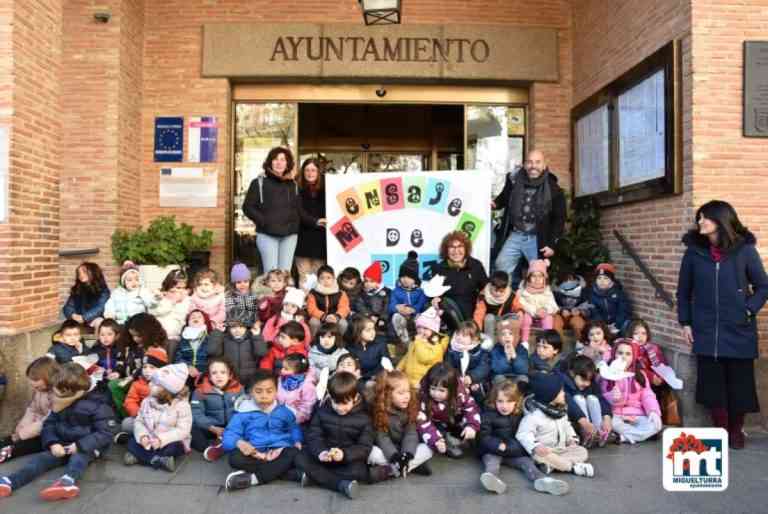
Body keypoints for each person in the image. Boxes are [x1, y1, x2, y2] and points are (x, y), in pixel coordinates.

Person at [677, 200, 768, 449]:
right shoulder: (693, 253)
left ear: (721, 220)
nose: (700, 221)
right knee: (712, 386)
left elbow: (763, 286)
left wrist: (748, 310)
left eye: (705, 217)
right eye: (699, 217)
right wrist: (686, 323)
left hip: (739, 328)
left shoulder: (745, 251)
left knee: (740, 385)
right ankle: (721, 430)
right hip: (705, 329)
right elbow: (683, 292)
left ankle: (736, 431)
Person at [0, 363, 115, 501]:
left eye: (57, 392)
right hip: (62, 444)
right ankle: (10, 482)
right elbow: (49, 424)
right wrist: (53, 443)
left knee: (78, 459)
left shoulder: (99, 404)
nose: (54, 396)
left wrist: (79, 446)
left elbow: (105, 432)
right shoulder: (60, 402)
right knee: (40, 460)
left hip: (88, 446)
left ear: (71, 391)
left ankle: (67, 482)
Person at [478, 379, 569, 496]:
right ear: (494, 400)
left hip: (513, 451)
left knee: (527, 463)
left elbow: (524, 436)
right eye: (500, 401)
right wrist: (496, 445)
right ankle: (492, 478)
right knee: (492, 462)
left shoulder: (520, 415)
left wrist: (514, 448)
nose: (504, 406)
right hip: (494, 450)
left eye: (509, 401)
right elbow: (483, 437)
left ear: (516, 402)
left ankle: (542, 480)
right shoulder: (488, 415)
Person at [294, 371, 374, 499]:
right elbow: (314, 436)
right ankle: (339, 484)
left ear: (355, 398)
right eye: (336, 402)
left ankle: (315, 477)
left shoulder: (364, 418)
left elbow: (364, 447)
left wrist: (344, 455)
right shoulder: (322, 412)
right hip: (324, 457)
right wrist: (321, 452)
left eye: (345, 403)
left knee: (359, 471)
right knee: (299, 457)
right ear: (330, 397)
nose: (340, 408)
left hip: (346, 461)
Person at [221, 369, 303, 491]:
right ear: (251, 392)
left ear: (276, 392)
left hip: (281, 450)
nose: (264, 396)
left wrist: (297, 441)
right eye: (258, 391)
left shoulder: (284, 411)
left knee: (294, 453)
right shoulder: (243, 412)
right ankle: (290, 474)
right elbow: (229, 434)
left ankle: (254, 478)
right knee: (234, 458)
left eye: (269, 391)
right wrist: (239, 442)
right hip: (256, 453)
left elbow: (294, 428)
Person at [492, 150, 566, 281]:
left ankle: (536, 294)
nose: (533, 166)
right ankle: (508, 292)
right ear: (524, 164)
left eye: (537, 162)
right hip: (516, 234)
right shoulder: (514, 181)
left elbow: (559, 219)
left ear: (544, 165)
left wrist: (552, 244)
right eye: (530, 162)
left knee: (538, 273)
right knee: (501, 265)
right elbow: (504, 197)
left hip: (537, 237)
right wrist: (495, 203)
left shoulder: (553, 188)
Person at [516, 372, 594, 478]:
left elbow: (567, 426)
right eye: (561, 392)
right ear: (551, 396)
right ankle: (573, 467)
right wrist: (536, 446)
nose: (564, 394)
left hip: (560, 449)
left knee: (582, 451)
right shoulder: (534, 416)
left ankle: (552, 466)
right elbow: (523, 434)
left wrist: (571, 440)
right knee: (540, 456)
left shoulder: (560, 411)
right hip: (545, 451)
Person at [243, 146, 301, 273]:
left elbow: (298, 209)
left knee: (285, 274)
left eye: (283, 160)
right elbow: (247, 207)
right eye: (275, 159)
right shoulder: (258, 183)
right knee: (271, 274)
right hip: (267, 235)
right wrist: (264, 221)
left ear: (287, 164)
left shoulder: (293, 184)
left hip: (289, 236)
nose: (279, 163)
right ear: (270, 162)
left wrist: (295, 224)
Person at [124, 363, 192, 472]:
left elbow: (183, 430)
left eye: (156, 383)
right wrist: (143, 436)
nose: (151, 384)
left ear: (168, 389)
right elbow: (139, 421)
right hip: (150, 437)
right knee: (132, 441)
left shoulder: (182, 406)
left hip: (169, 440)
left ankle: (141, 457)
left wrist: (161, 440)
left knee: (175, 446)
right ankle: (159, 460)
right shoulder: (147, 401)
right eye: (152, 381)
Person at [369, 370, 434, 480]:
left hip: (406, 449)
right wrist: (394, 457)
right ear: (388, 395)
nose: (407, 396)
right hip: (388, 452)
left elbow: (411, 434)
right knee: (372, 453)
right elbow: (381, 438)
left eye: (408, 392)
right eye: (401, 393)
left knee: (429, 448)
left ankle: (393, 470)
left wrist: (406, 455)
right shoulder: (379, 411)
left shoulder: (410, 408)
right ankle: (411, 466)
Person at [0, 357, 60, 464]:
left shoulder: (58, 394)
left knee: (22, 446)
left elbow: (48, 421)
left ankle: (6, 453)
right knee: (9, 439)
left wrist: (22, 434)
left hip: (51, 433)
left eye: (37, 386)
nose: (35, 389)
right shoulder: (40, 390)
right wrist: (22, 427)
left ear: (49, 378)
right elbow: (32, 409)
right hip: (35, 428)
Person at [600, 340, 662, 444]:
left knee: (656, 424)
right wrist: (612, 397)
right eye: (620, 353)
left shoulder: (640, 375)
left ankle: (622, 438)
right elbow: (602, 396)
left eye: (628, 354)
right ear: (614, 355)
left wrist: (653, 411)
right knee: (613, 424)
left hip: (636, 413)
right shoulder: (606, 374)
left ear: (634, 357)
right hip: (615, 414)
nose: (623, 357)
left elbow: (647, 395)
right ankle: (641, 435)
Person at [417, 363, 481, 459]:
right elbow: (423, 421)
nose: (436, 394)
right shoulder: (424, 397)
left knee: (469, 425)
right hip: (433, 422)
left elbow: (470, 407)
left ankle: (457, 436)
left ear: (451, 389)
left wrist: (472, 425)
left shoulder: (459, 393)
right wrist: (435, 440)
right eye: (433, 388)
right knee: (432, 434)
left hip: (452, 418)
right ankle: (444, 441)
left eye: (441, 390)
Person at [430, 231, 488, 331]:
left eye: (460, 246)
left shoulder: (475, 265)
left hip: (471, 310)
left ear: (466, 249)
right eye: (452, 247)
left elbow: (486, 288)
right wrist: (434, 299)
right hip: (448, 311)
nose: (456, 251)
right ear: (446, 250)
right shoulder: (439, 268)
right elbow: (432, 292)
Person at [190, 357, 243, 461]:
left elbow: (243, 411)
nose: (219, 376)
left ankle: (223, 444)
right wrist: (212, 428)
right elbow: (196, 413)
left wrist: (232, 427)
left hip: (231, 427)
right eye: (214, 373)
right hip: (210, 426)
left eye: (223, 372)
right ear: (209, 376)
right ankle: (212, 447)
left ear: (230, 375)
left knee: (248, 427)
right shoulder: (200, 391)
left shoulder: (238, 388)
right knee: (192, 431)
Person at [557, 355, 613, 448]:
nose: (587, 384)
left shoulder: (591, 384)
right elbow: (569, 403)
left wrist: (607, 417)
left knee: (592, 398)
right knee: (578, 398)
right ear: (572, 373)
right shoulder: (564, 383)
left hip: (590, 422)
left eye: (589, 380)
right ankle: (586, 433)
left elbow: (601, 398)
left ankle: (599, 433)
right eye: (583, 380)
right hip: (576, 421)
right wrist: (584, 422)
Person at [115, 347, 169, 442]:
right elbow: (130, 401)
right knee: (127, 423)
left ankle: (137, 439)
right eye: (144, 367)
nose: (147, 370)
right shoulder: (137, 384)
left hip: (162, 420)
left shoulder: (168, 384)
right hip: (142, 417)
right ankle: (147, 438)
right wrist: (139, 413)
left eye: (152, 367)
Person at [294, 158, 328, 289]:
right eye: (307, 170)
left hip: (321, 240)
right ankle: (304, 301)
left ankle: (315, 301)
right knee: (304, 276)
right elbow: (298, 211)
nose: (310, 173)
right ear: (303, 172)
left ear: (319, 172)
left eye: (313, 170)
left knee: (319, 275)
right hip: (302, 238)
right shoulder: (296, 188)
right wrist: (315, 221)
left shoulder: (327, 188)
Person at [397, 307, 449, 389]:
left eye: (425, 328)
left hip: (423, 382)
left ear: (433, 330)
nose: (421, 331)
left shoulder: (437, 344)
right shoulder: (417, 341)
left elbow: (424, 358)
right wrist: (398, 369)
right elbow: (407, 356)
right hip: (410, 379)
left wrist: (418, 342)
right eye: (419, 327)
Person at [208, 316, 268, 387]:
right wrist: (217, 332)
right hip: (231, 379)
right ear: (229, 328)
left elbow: (261, 352)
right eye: (233, 327)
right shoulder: (224, 339)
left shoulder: (252, 338)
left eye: (241, 327)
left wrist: (257, 336)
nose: (237, 330)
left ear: (246, 327)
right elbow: (212, 351)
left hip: (250, 379)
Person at [443, 320, 492, 401]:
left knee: (477, 389)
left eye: (463, 335)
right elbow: (448, 364)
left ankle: (480, 404)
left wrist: (471, 377)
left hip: (475, 379)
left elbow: (484, 367)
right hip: (458, 378)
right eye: (458, 334)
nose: (459, 337)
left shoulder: (480, 351)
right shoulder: (452, 348)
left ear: (474, 339)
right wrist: (458, 377)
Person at [517, 259, 559, 348]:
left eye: (540, 276)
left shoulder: (547, 291)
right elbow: (522, 303)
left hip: (541, 319)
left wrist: (545, 309)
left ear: (544, 278)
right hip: (528, 319)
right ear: (529, 278)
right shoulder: (523, 291)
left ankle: (546, 340)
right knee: (526, 316)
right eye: (534, 276)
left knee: (548, 318)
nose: (537, 279)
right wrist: (534, 311)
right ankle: (524, 342)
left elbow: (554, 306)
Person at [389, 252, 428, 346]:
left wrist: (413, 309)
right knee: (396, 317)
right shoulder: (395, 291)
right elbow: (391, 305)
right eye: (402, 276)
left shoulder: (420, 291)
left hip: (415, 315)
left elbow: (421, 303)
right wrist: (397, 308)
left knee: (422, 318)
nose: (405, 279)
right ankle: (405, 341)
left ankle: (421, 341)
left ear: (415, 279)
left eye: (409, 277)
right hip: (402, 316)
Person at [149, 269, 191, 354]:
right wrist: (172, 302)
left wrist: (180, 302)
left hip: (175, 336)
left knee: (172, 346)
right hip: (159, 335)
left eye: (183, 288)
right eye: (178, 288)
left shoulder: (186, 300)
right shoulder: (161, 297)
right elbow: (155, 312)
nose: (180, 291)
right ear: (169, 286)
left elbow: (182, 317)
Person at [584, 263, 632, 336]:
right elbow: (594, 312)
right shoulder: (592, 294)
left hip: (617, 324)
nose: (602, 281)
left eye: (605, 278)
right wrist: (604, 326)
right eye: (599, 278)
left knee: (627, 323)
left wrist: (616, 325)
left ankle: (622, 340)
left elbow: (623, 310)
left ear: (611, 280)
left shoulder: (619, 293)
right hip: (601, 325)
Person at [62, 261, 110, 332]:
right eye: (79, 273)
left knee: (99, 322)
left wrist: (84, 317)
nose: (81, 275)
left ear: (93, 272)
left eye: (84, 272)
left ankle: (98, 339)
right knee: (65, 325)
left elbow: (100, 307)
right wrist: (72, 315)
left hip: (94, 319)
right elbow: (68, 306)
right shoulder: (77, 289)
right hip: (78, 318)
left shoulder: (103, 290)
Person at [104, 260, 155, 325]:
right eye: (129, 280)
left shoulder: (142, 291)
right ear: (123, 282)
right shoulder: (117, 293)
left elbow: (151, 302)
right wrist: (110, 314)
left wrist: (156, 298)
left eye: (136, 279)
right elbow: (110, 305)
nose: (134, 282)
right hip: (120, 322)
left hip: (137, 322)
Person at [307, 265, 350, 337]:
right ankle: (314, 340)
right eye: (322, 278)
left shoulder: (341, 293)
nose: (325, 281)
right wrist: (324, 316)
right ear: (318, 280)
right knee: (313, 322)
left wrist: (336, 316)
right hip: (320, 318)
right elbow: (311, 309)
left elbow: (344, 308)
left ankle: (338, 340)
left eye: (328, 278)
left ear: (333, 279)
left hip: (335, 318)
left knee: (343, 323)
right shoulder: (313, 293)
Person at [174, 310, 214, 384]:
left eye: (199, 317)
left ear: (205, 321)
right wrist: (188, 366)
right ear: (188, 322)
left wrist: (204, 372)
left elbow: (214, 358)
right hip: (186, 374)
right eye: (192, 317)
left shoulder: (210, 338)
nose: (195, 318)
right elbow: (178, 358)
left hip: (205, 376)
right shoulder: (183, 339)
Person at [345, 316, 390, 383]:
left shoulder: (380, 343)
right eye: (368, 330)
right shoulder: (350, 348)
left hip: (378, 378)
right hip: (358, 380)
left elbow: (386, 364)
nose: (372, 332)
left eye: (373, 329)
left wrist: (372, 377)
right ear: (357, 332)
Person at [473, 270, 516, 339]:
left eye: (501, 291)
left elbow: (517, 305)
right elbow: (479, 314)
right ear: (491, 286)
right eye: (496, 290)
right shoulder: (483, 296)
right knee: (489, 317)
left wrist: (520, 311)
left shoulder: (511, 294)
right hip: (490, 322)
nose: (498, 293)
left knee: (513, 318)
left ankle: (508, 341)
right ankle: (489, 340)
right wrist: (478, 330)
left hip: (504, 319)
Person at [277, 353, 316, 425]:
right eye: (282, 367)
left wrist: (295, 420)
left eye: (286, 369)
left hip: (295, 420)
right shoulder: (282, 378)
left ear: (297, 372)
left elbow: (307, 407)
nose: (282, 370)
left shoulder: (307, 386)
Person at [354, 261, 392, 335]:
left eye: (371, 281)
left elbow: (387, 306)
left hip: (381, 318)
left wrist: (382, 318)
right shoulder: (361, 292)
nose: (368, 284)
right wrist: (370, 315)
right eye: (366, 281)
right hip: (368, 316)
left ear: (378, 282)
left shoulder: (386, 292)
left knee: (387, 325)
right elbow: (359, 305)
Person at [489, 316, 529, 383]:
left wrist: (515, 357)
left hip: (516, 375)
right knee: (498, 378)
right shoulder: (496, 350)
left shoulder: (522, 349)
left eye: (510, 334)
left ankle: (519, 390)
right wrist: (506, 359)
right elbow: (497, 370)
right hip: (502, 376)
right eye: (503, 334)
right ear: (499, 337)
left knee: (523, 378)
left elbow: (524, 370)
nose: (507, 336)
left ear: (516, 336)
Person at [226, 263, 258, 329]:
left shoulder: (253, 295)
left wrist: (256, 321)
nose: (242, 285)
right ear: (233, 283)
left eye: (245, 281)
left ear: (250, 281)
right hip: (236, 325)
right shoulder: (231, 296)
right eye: (239, 282)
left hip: (252, 323)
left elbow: (256, 310)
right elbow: (232, 312)